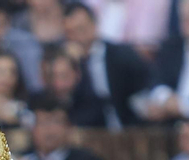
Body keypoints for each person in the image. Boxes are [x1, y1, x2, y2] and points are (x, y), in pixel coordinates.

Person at [61, 1, 148, 129]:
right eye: (71, 32)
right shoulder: (65, 62)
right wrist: (74, 66)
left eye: (82, 29)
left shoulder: (121, 54)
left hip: (128, 127)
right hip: (88, 130)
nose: (79, 37)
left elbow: (145, 83)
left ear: (94, 24)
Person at [22, 94, 105, 160]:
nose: (49, 129)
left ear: (69, 127)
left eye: (56, 122)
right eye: (43, 123)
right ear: (32, 128)